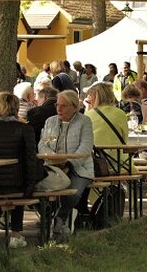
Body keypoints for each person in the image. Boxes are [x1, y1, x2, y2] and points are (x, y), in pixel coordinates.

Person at [0, 92, 50, 248]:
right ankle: (15, 233)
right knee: (20, 178)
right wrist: (29, 187)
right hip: (16, 183)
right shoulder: (24, 129)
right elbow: (30, 160)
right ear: (16, 108)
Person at [38, 90, 94, 243]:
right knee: (38, 190)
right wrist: (54, 160)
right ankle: (52, 222)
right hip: (53, 167)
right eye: (57, 105)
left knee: (73, 193)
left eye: (64, 106)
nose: (59, 109)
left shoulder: (84, 121)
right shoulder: (50, 121)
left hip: (80, 167)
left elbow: (86, 148)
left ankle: (60, 218)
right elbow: (42, 145)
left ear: (75, 107)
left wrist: (69, 163)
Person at [84, 82, 132, 173]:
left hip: (97, 165)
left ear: (94, 98)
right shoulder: (120, 113)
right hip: (121, 164)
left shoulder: (87, 116)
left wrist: (88, 108)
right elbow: (125, 139)